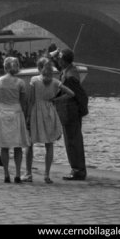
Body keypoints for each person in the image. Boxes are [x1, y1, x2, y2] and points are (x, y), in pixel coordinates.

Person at [24, 58, 75, 184]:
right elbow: (71, 93)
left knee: (30, 144)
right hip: (50, 112)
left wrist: (28, 117)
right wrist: (56, 100)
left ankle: (28, 174)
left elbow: (30, 100)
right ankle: (47, 175)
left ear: (39, 68)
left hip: (36, 112)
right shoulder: (55, 82)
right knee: (49, 143)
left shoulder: (34, 80)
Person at [0, 57, 30, 183]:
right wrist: (25, 117)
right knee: (18, 146)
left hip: (2, 113)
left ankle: (6, 174)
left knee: (4, 146)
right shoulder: (20, 83)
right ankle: (18, 174)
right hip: (17, 113)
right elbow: (23, 103)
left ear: (5, 67)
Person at [52, 48, 88, 180]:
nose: (58, 61)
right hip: (70, 111)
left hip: (70, 111)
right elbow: (55, 64)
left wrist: (54, 100)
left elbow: (73, 95)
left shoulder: (70, 76)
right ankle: (77, 169)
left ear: (64, 61)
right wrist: (54, 54)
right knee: (72, 140)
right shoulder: (69, 70)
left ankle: (78, 170)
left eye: (60, 59)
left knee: (73, 141)